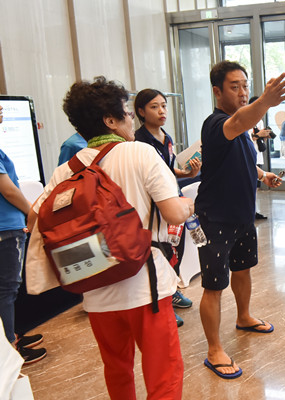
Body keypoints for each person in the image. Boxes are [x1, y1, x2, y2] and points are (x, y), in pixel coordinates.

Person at [30, 76, 194, 398]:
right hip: (145, 285)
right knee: (163, 373)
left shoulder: (66, 170)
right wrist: (188, 205)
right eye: (127, 113)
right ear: (110, 120)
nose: (131, 119)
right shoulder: (140, 153)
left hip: (96, 289)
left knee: (117, 369)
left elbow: (35, 216)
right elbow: (174, 213)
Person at [194, 61, 285, 379]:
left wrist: (264, 175)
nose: (243, 92)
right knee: (214, 285)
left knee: (243, 269)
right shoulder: (216, 123)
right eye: (235, 86)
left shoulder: (243, 130)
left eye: (245, 86)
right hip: (214, 219)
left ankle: (244, 316)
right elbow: (238, 121)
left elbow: (242, 158)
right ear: (217, 91)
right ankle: (214, 349)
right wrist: (265, 101)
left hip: (242, 216)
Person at [134, 88, 201, 328]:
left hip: (173, 199)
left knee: (175, 247)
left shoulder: (166, 137)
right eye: (154, 107)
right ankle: (162, 301)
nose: (162, 111)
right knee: (158, 250)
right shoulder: (138, 142)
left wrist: (188, 173)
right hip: (154, 206)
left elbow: (169, 169)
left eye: (163, 105)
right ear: (141, 111)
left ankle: (172, 290)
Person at [0, 104, 47, 365]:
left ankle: (10, 338)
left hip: (6, 227)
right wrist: (32, 212)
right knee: (6, 290)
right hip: (6, 228)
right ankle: (10, 350)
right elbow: (8, 190)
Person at [248, 95, 273, 220]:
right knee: (250, 186)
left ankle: (254, 210)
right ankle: (250, 212)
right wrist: (258, 135)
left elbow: (258, 140)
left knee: (256, 187)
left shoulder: (260, 121)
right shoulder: (246, 120)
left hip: (259, 157)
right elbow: (247, 138)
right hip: (250, 157)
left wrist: (264, 136)